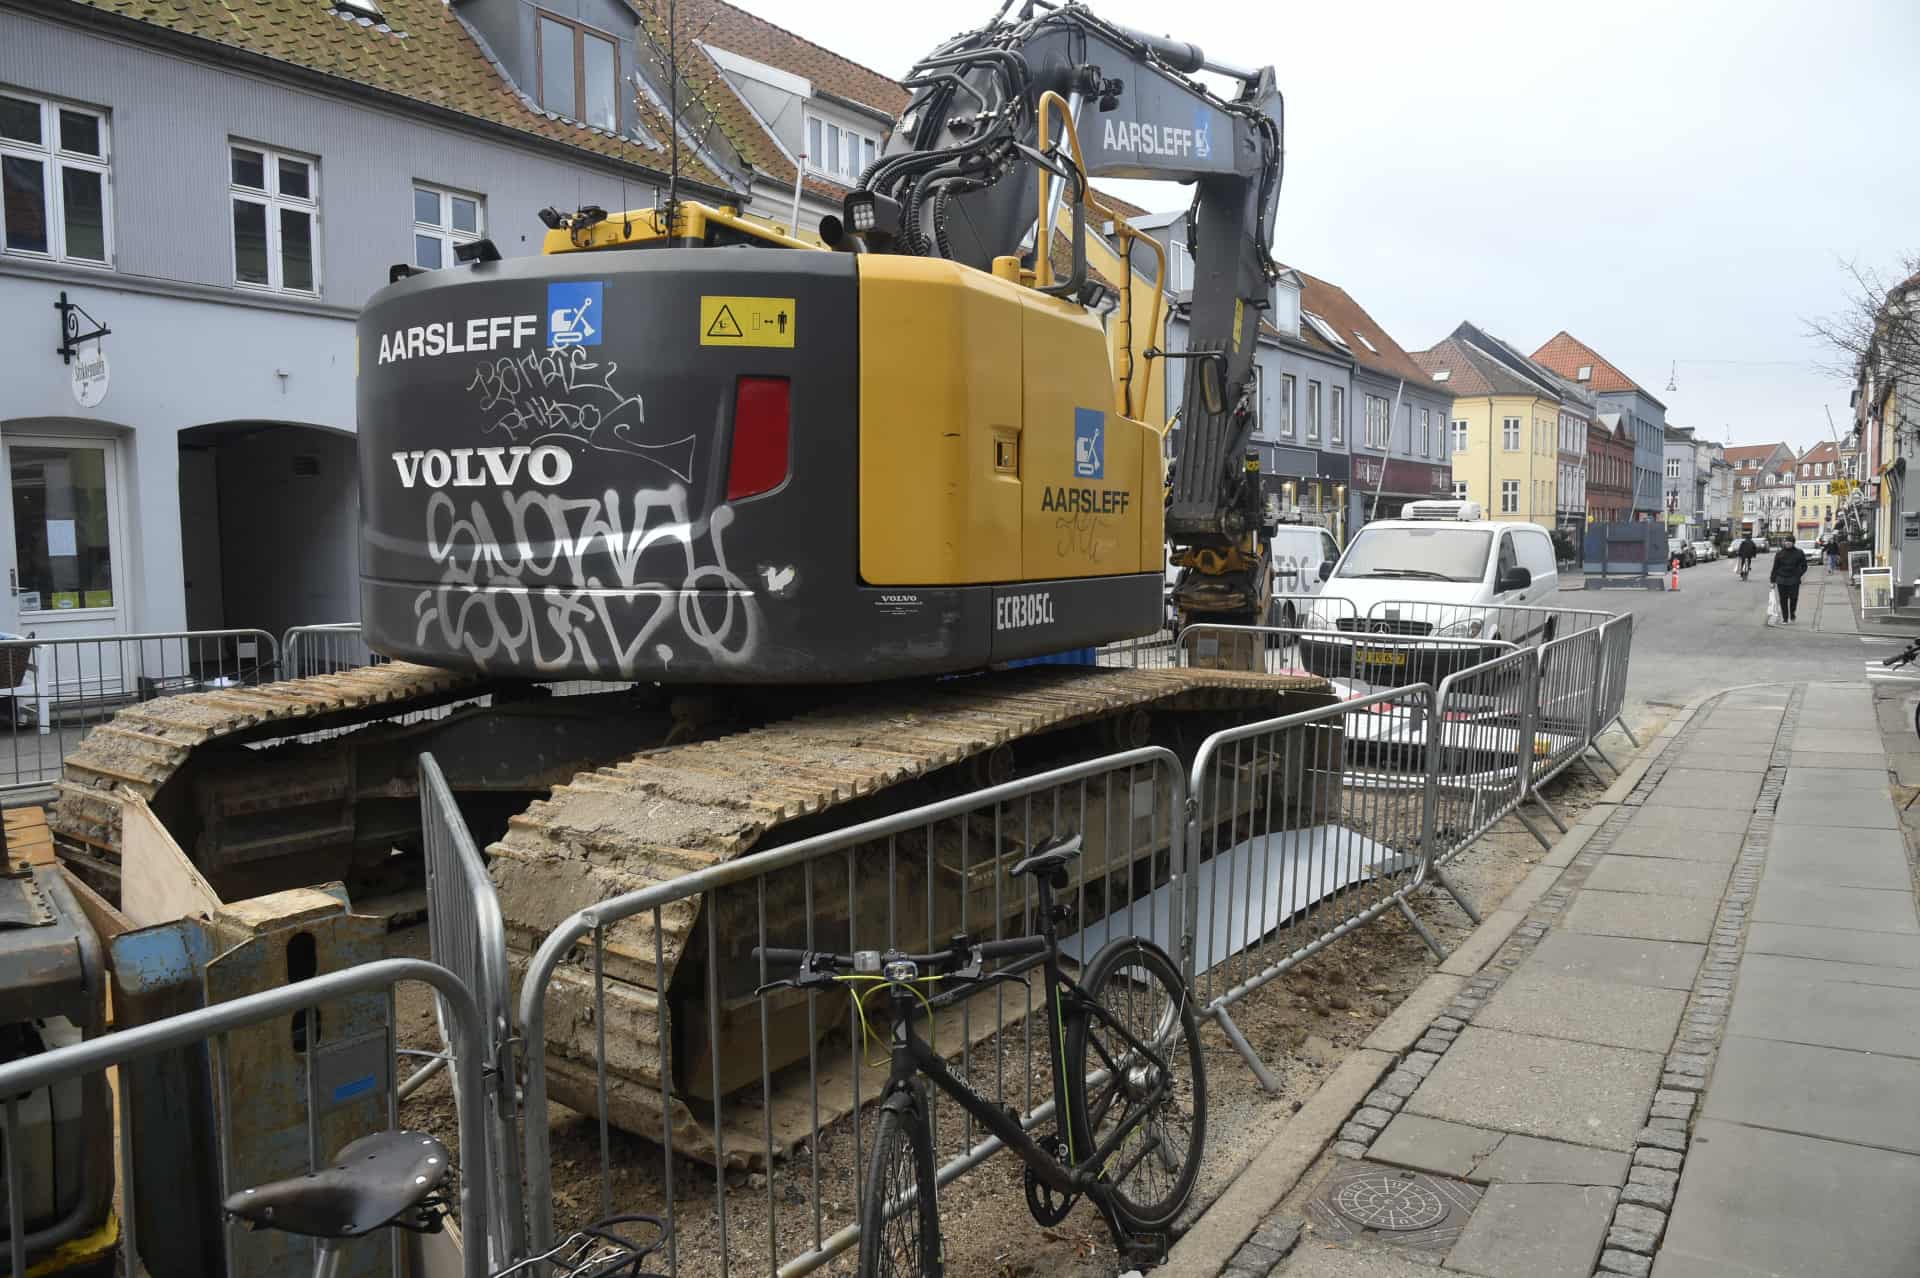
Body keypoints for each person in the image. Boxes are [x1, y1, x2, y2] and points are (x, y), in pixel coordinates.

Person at [1771, 539, 1809, 623]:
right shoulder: (1779, 553)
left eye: (1789, 542)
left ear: (1793, 543)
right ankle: (1785, 618)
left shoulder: (1799, 552)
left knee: (1793, 598)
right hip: (1781, 579)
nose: (1787, 543)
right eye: (1786, 542)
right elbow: (1775, 568)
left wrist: (1799, 574)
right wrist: (1772, 581)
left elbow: (1804, 566)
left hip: (1794, 579)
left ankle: (1792, 613)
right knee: (1783, 599)